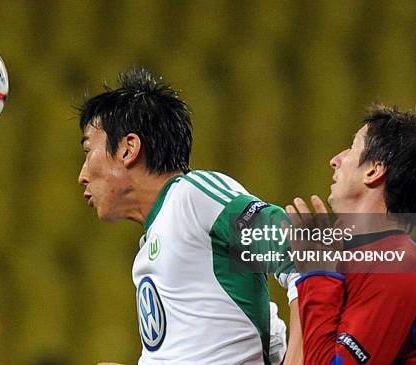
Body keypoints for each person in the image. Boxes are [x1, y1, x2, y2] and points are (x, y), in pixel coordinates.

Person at [77, 68, 300, 365]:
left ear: (128, 148)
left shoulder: (193, 196)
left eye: (88, 150)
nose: (81, 176)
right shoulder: (155, 241)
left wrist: (299, 358)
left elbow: (310, 244)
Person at [285, 105, 416, 364]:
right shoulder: (359, 258)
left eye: (353, 147)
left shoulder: (401, 267)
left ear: (374, 171)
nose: (335, 159)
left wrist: (315, 275)